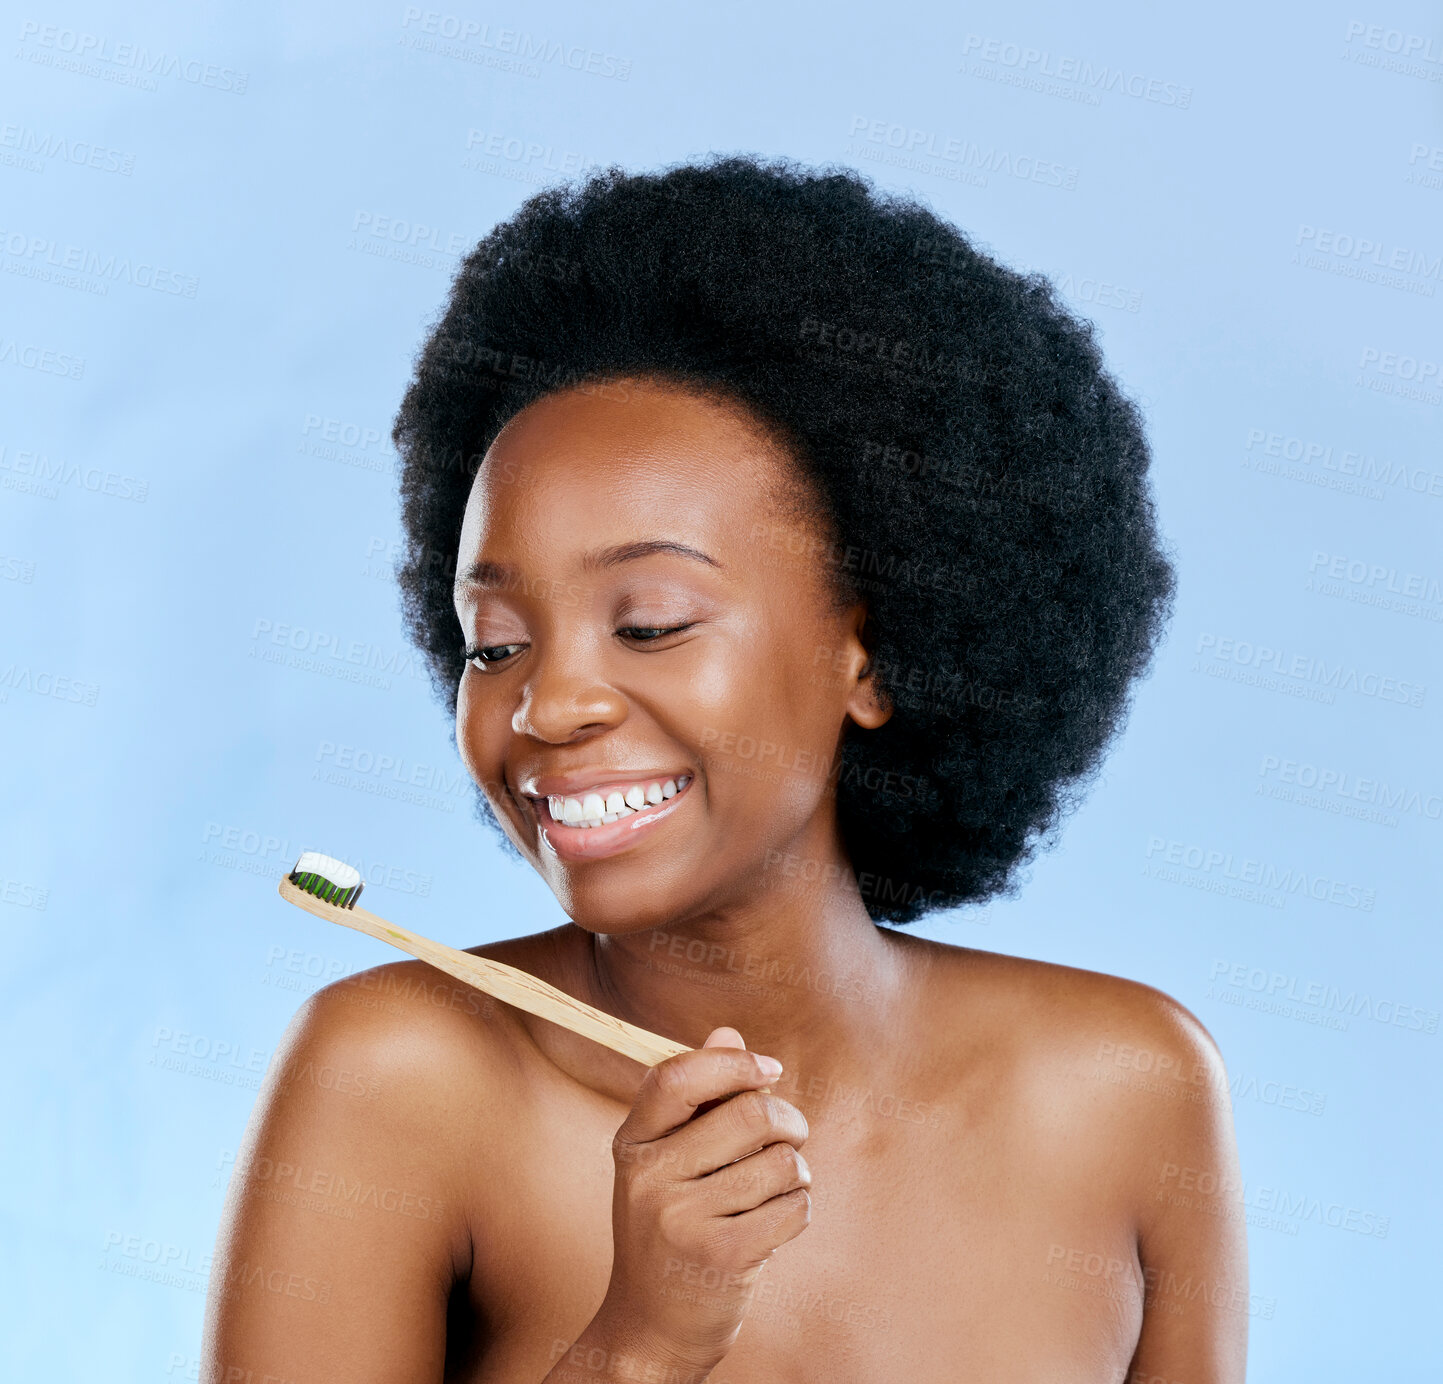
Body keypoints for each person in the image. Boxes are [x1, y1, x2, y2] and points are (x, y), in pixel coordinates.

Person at [204, 155, 1247, 1383]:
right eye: (496, 643)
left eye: (648, 622)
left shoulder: (1131, 1087)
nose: (550, 702)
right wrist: (639, 1346)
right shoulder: (396, 1083)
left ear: (872, 650)